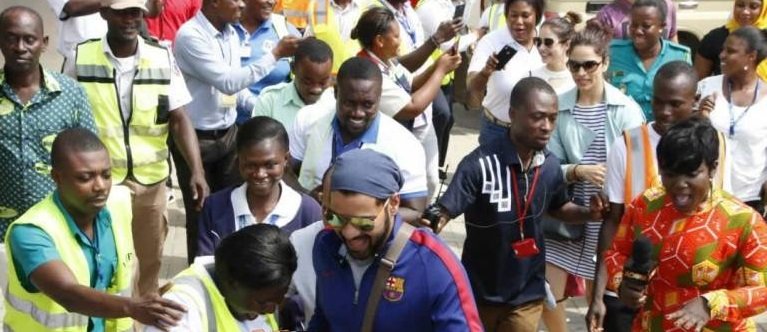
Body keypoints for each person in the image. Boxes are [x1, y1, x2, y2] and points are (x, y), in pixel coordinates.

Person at [428, 77, 607, 332]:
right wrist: (427, 224)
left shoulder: (551, 165)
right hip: (479, 293)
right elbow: (444, 211)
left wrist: (590, 213)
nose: (546, 126)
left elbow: (559, 207)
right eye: (537, 117)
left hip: (527, 294)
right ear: (513, 114)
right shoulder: (479, 164)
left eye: (552, 118)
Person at [74, 0, 209, 297]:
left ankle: (144, 317)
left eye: (135, 12)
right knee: (103, 258)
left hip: (151, 183)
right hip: (101, 182)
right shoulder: (81, 56)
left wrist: (197, 171)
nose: (129, 19)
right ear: (105, 13)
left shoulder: (161, 57)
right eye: (122, 11)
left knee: (150, 261)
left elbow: (180, 118)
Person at [586, 61, 731, 332]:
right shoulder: (627, 145)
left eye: (675, 104)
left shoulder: (716, 144)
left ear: (694, 100)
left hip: (696, 297)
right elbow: (613, 222)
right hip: (632, 291)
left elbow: (728, 218)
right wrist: (599, 294)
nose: (664, 112)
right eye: (658, 102)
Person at [4, 128, 186, 331]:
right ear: (57, 177)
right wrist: (132, 307)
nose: (100, 186)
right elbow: (67, 294)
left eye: (106, 175)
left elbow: (124, 277)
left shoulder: (119, 203)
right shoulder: (31, 231)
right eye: (85, 178)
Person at [604, 117, 767, 331]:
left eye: (692, 174)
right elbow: (617, 252)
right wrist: (622, 285)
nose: (680, 185)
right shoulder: (645, 205)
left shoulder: (743, 220)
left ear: (712, 169)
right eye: (670, 174)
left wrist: (711, 304)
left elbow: (762, 291)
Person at [173, 0, 299, 261]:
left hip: (229, 134)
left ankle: (237, 273)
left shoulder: (230, 33)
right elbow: (228, 82)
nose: (243, 4)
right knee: (200, 214)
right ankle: (201, 279)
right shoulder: (190, 36)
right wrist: (275, 54)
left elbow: (233, 89)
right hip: (197, 140)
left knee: (234, 208)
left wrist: (264, 112)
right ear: (215, 3)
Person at [309, 148, 483, 331]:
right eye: (335, 218)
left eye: (363, 222)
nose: (348, 233)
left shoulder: (434, 265)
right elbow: (323, 319)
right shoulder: (326, 247)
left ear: (393, 204)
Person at [544, 21, 645, 331]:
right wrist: (577, 171)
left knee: (598, 294)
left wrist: (616, 182)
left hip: (611, 212)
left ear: (605, 62)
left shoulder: (627, 109)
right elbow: (547, 165)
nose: (581, 72)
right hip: (568, 208)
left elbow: (640, 170)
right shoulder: (558, 105)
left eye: (589, 64)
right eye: (574, 65)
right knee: (547, 291)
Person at [0, 5, 97, 299]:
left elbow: (89, 160)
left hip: (58, 230)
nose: (20, 47)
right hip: (2, 235)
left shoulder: (71, 94)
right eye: (11, 38)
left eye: (29, 39)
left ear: (44, 43)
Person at [289, 57, 429, 224]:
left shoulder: (405, 145)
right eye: (349, 103)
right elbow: (285, 170)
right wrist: (306, 198)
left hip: (367, 242)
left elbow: (415, 211)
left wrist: (355, 218)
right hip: (309, 225)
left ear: (379, 97)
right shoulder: (308, 119)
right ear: (335, 93)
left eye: (368, 104)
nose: (358, 113)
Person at [353, 7, 461, 198]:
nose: (400, 41)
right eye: (395, 36)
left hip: (411, 129)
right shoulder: (369, 72)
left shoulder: (386, 61)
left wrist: (439, 64)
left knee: (430, 180)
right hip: (390, 141)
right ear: (379, 41)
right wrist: (441, 71)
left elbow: (410, 83)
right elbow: (411, 107)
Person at [196, 116, 322, 255]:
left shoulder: (308, 212)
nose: (260, 174)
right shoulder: (215, 207)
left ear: (286, 160)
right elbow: (205, 266)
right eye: (250, 165)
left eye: (270, 165)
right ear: (238, 161)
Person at [147, 223, 297, 331]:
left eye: (279, 300)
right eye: (262, 303)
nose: (271, 310)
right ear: (233, 283)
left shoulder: (268, 290)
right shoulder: (181, 307)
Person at [698, 26, 767, 215]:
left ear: (751, 57)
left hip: (750, 199)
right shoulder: (706, 88)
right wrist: (699, 117)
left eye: (731, 51)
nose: (722, 55)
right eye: (722, 49)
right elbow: (689, 137)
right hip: (708, 196)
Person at [467, 0, 544, 146]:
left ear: (537, 16)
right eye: (513, 16)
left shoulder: (546, 43)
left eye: (525, 15)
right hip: (497, 132)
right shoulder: (491, 42)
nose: (519, 22)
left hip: (535, 134)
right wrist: (486, 72)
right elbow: (471, 87)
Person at [607, 0, 691, 120]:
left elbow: (687, 101)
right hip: (623, 132)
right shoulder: (613, 52)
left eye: (646, 26)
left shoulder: (679, 56)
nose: (638, 31)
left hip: (665, 131)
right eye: (634, 25)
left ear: (662, 27)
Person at [233, 0, 301, 124]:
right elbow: (225, 80)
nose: (271, 2)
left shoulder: (284, 29)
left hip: (276, 125)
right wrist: (259, 108)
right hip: (229, 128)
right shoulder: (226, 28)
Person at [252, 37, 333, 129]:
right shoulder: (270, 101)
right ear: (293, 68)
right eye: (308, 82)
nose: (316, 89)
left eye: (323, 82)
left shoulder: (334, 104)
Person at [695, 0, 767, 79]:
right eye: (740, 5)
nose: (745, 11)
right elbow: (698, 81)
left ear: (763, 9)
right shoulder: (715, 37)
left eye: (753, 7)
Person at [530, 12, 580, 94]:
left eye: (548, 42)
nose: (541, 47)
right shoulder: (530, 77)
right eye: (538, 41)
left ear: (567, 44)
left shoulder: (579, 80)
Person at [594, 0, 677, 41]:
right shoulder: (607, 14)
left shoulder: (667, 5)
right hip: (625, 72)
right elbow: (601, 52)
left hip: (663, 71)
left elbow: (672, 36)